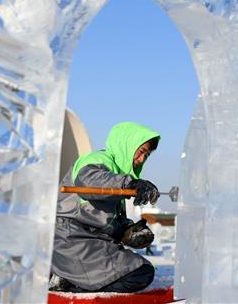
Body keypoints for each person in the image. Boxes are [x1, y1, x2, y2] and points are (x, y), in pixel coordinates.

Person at [49, 122, 162, 293]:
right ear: (127, 145)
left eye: (146, 156)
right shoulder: (97, 161)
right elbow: (89, 182)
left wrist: (127, 231)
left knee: (143, 269)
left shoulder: (116, 176)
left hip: (91, 243)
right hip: (72, 240)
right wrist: (130, 183)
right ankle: (70, 285)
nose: (141, 160)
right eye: (140, 153)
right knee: (139, 273)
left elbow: (102, 218)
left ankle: (68, 280)